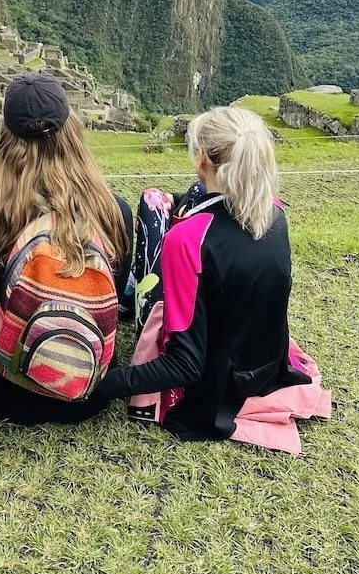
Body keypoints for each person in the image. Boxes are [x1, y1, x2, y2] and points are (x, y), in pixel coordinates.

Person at [94, 106, 317, 442]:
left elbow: (185, 365)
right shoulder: (274, 212)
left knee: (152, 202)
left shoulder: (186, 240)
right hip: (264, 365)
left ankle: (126, 294)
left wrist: (105, 384)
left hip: (217, 385)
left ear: (201, 159)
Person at [0, 73, 132, 425]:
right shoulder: (113, 209)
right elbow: (114, 296)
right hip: (87, 388)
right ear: (70, 128)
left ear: (6, 133)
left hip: (5, 390)